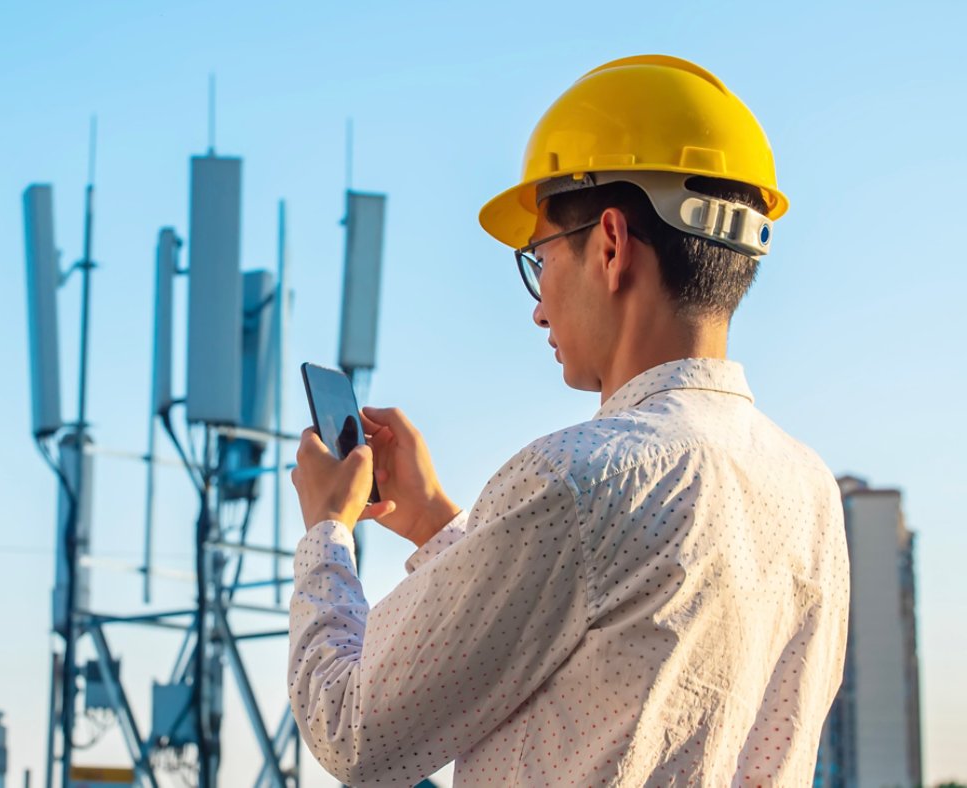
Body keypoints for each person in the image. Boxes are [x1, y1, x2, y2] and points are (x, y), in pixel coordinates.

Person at [288, 55, 849, 787]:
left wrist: (326, 532)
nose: (538, 303)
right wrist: (434, 521)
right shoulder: (808, 493)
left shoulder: (579, 480)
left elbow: (352, 730)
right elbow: (594, 615)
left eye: (539, 256)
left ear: (610, 245)